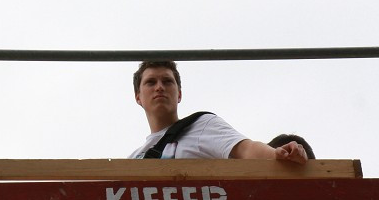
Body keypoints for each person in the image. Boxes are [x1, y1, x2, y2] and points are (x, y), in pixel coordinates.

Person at [128, 61, 308, 163]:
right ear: (138, 97)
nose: (159, 87)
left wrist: (278, 154)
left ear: (179, 94)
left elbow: (245, 149)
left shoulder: (201, 126)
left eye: (167, 82)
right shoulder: (133, 158)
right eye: (151, 82)